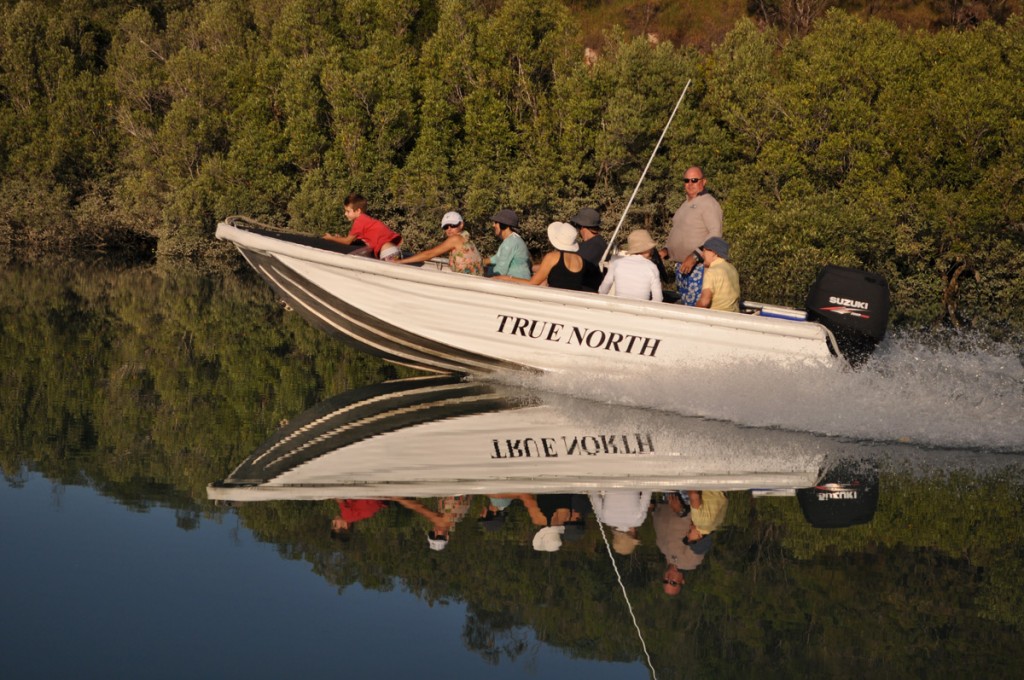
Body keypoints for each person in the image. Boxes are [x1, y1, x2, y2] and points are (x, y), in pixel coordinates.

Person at [662, 167, 723, 305]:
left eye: (694, 180)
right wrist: (665, 251)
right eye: (686, 180)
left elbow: (715, 234)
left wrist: (695, 256)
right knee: (683, 305)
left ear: (704, 181)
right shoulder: (684, 205)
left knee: (694, 309)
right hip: (681, 267)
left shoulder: (709, 203)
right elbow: (678, 233)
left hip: (698, 268)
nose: (690, 184)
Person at [494, 222, 587, 291]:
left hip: (554, 302)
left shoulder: (552, 257)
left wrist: (507, 278)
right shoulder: (580, 260)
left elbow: (532, 283)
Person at [653, 492, 712, 596]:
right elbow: (700, 534)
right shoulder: (690, 562)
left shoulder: (664, 552)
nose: (668, 579)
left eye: (665, 581)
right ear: (682, 581)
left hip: (664, 498)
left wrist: (652, 508)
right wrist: (681, 511)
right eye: (673, 583)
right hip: (686, 500)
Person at [393, 211, 483, 275]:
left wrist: (401, 261)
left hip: (467, 283)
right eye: (446, 227)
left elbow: (429, 254)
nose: (449, 229)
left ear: (461, 225)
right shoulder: (467, 238)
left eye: (453, 225)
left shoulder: (456, 239)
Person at [323, 192, 402, 260]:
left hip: (387, 253)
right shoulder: (366, 220)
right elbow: (361, 243)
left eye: (348, 211)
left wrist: (331, 238)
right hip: (393, 251)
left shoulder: (359, 222)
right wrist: (339, 238)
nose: (345, 214)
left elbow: (347, 241)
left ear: (358, 211)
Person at [598, 229, 663, 301]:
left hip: (619, 308)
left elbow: (602, 290)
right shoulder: (652, 267)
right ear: (647, 249)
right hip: (641, 310)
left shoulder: (617, 263)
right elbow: (658, 298)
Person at [696, 237, 741, 313]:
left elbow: (704, 302)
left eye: (704, 250)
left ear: (714, 253)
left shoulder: (711, 272)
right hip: (733, 315)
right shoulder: (732, 268)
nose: (702, 254)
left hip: (716, 317)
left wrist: (693, 310)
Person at [483, 209, 531, 279]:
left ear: (503, 225)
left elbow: (500, 271)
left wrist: (484, 271)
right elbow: (498, 258)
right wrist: (483, 261)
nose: (493, 225)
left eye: (496, 222)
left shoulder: (509, 243)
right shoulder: (514, 239)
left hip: (516, 285)